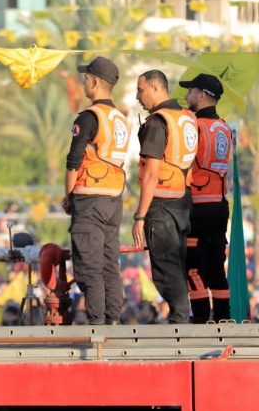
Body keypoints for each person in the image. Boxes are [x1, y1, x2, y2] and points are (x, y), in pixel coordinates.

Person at [61, 56, 131, 325]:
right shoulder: (120, 119)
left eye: (86, 77)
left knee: (89, 267)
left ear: (96, 82)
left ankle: (97, 325)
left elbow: (73, 162)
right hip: (114, 199)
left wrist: (69, 196)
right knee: (109, 264)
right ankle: (113, 321)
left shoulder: (91, 117)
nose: (83, 82)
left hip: (89, 197)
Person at [131, 70, 197, 323]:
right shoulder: (186, 118)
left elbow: (150, 175)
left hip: (161, 205)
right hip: (182, 202)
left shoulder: (157, 122)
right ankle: (181, 319)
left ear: (156, 89)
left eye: (141, 90)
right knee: (177, 266)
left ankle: (180, 322)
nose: (138, 96)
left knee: (165, 271)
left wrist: (140, 216)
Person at [180, 73, 232, 323]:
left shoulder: (195, 126)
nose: (187, 95)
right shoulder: (224, 127)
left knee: (192, 268)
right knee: (215, 269)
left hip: (199, 207)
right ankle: (223, 317)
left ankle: (200, 318)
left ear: (201, 95)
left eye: (190, 90)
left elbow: (185, 162)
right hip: (220, 206)